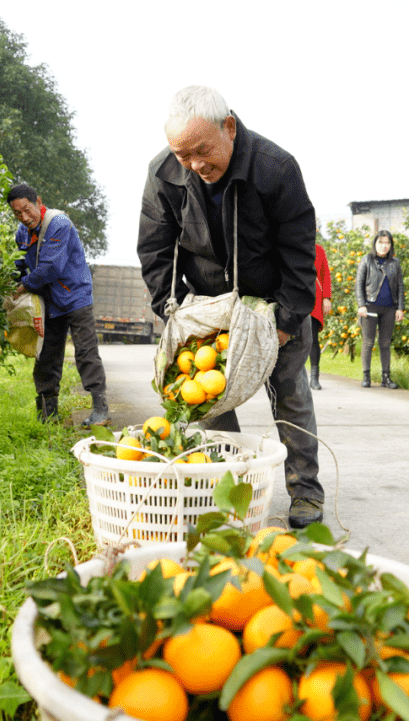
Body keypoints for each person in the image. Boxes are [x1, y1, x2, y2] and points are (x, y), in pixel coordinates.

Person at [137, 85, 323, 529]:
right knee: (208, 403)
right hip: (209, 307)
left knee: (291, 395)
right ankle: (227, 493)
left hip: (274, 301)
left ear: (230, 128)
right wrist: (173, 311)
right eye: (184, 155)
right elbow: (155, 249)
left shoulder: (275, 168)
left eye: (203, 150)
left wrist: (285, 321)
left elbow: (300, 252)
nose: (196, 165)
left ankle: (306, 494)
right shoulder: (164, 173)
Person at [8, 182, 109, 426]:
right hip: (48, 301)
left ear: (39, 203)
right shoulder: (22, 233)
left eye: (27, 209)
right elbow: (18, 266)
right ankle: (47, 412)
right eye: (17, 213)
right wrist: (9, 282)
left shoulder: (59, 224)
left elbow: (50, 268)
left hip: (75, 297)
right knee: (46, 354)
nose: (25, 217)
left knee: (85, 352)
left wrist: (22, 286)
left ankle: (100, 409)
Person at [355, 230, 406, 389]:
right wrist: (361, 305)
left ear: (390, 245)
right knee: (368, 342)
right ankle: (366, 376)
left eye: (387, 243)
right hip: (370, 306)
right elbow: (358, 284)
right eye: (381, 242)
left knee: (385, 343)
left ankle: (386, 378)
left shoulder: (395, 262)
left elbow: (400, 286)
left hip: (389, 308)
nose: (384, 246)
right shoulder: (367, 260)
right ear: (375, 244)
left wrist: (400, 308)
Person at [309, 243, 332, 391]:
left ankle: (314, 378)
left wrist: (326, 298)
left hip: (314, 298)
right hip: (295, 297)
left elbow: (325, 274)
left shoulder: (318, 249)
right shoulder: (290, 245)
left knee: (312, 339)